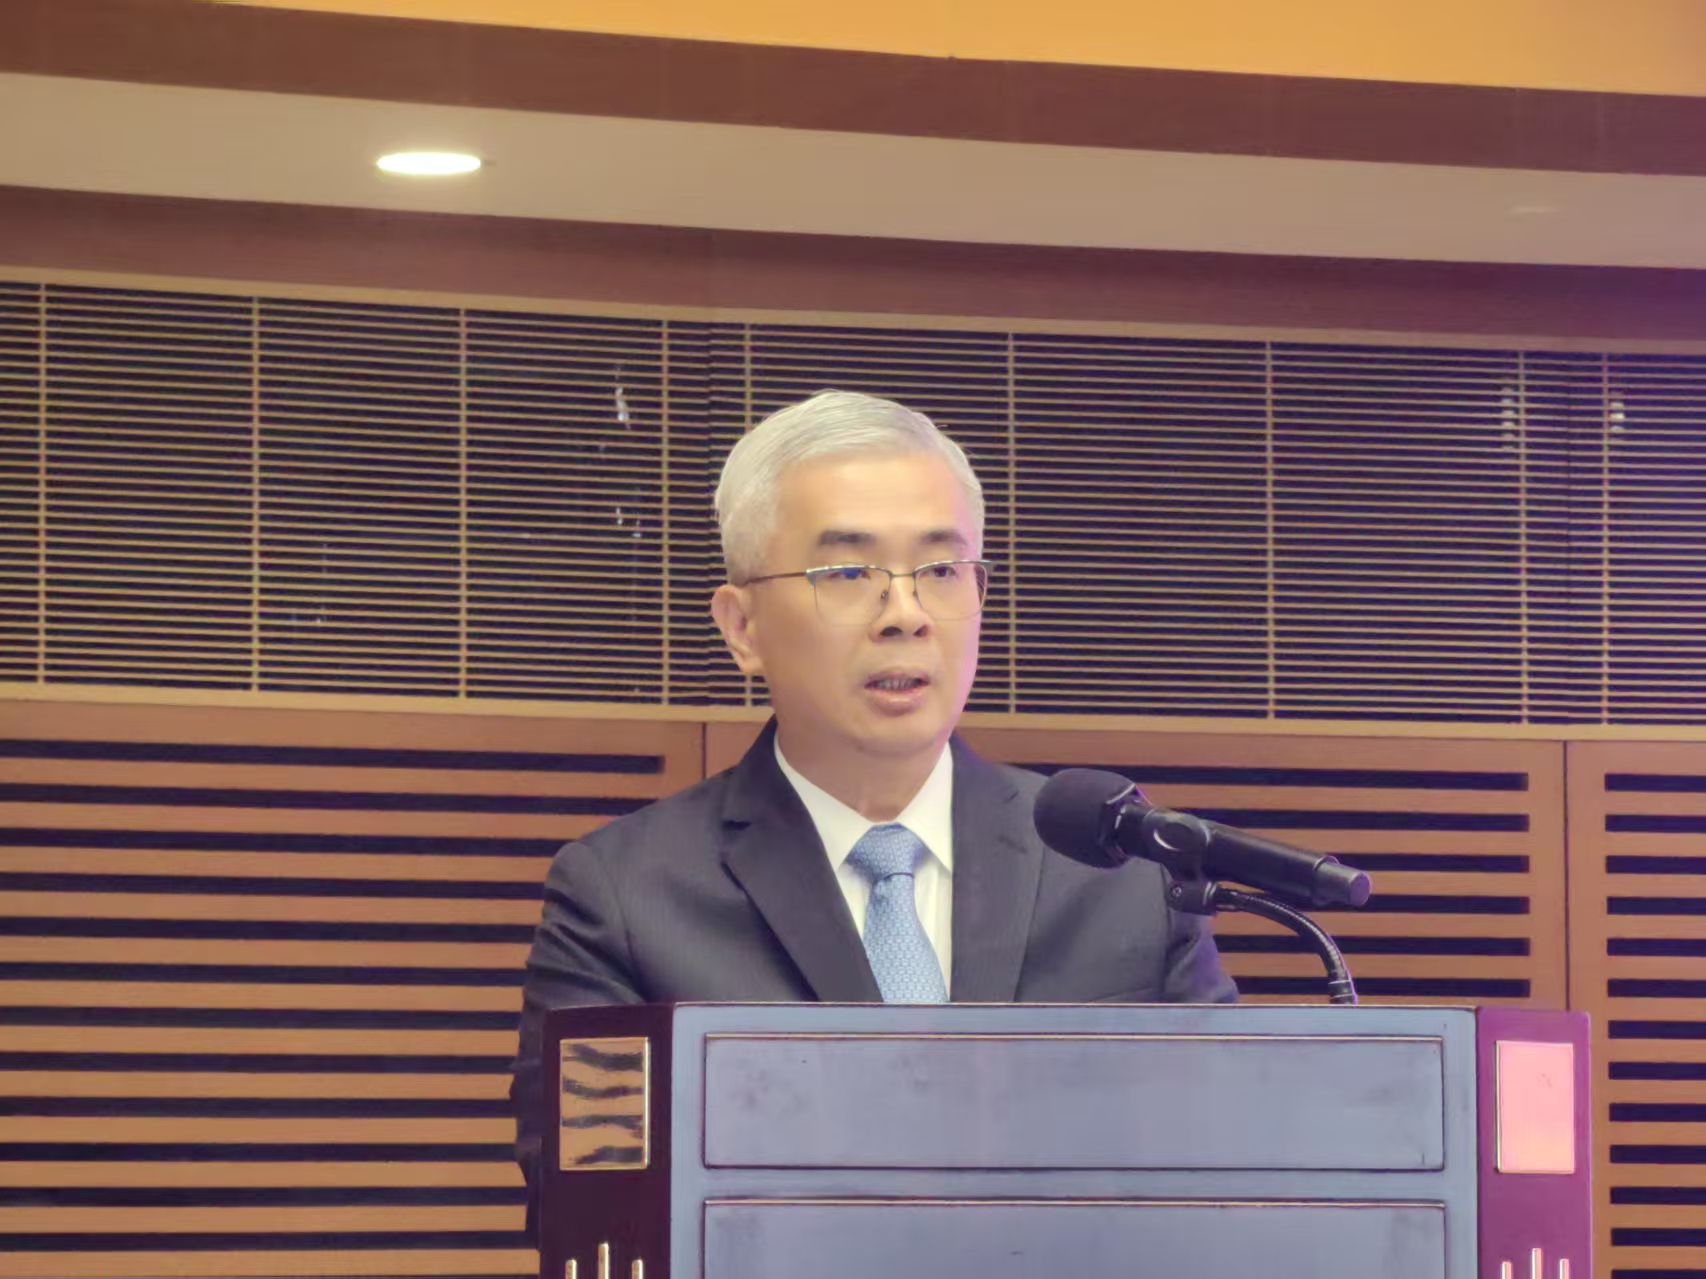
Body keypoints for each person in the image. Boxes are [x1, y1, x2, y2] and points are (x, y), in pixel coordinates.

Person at [509, 389, 1235, 1217]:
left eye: (940, 571)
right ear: (742, 626)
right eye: (848, 573)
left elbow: (1228, 1177)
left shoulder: (1119, 873)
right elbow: (595, 1212)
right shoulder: (626, 896)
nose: (906, 615)